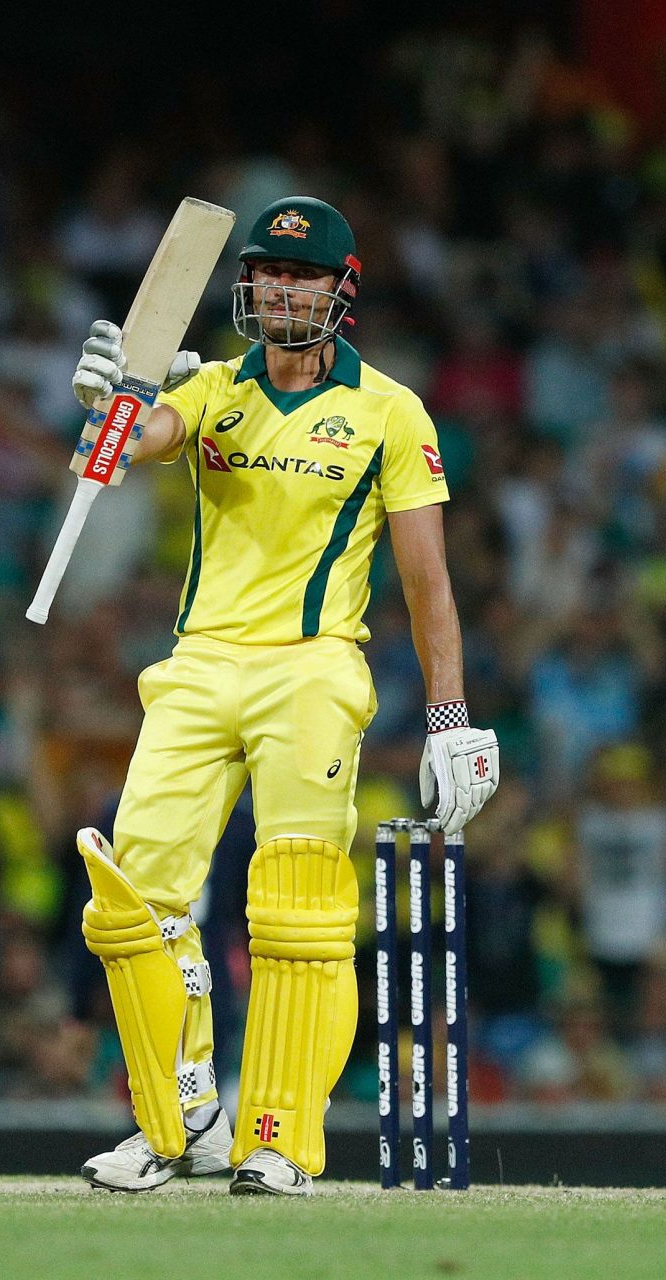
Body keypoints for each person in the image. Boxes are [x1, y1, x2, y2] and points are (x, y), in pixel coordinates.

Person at [66, 196, 499, 1195]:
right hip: (197, 665)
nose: (280, 287)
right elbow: (130, 445)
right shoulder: (215, 389)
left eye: (301, 274)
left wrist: (447, 716)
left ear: (341, 290)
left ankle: (278, 1136)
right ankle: (178, 1121)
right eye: (266, 271)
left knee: (297, 912)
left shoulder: (390, 410)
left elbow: (427, 580)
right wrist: (110, 402)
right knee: (134, 898)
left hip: (312, 668)